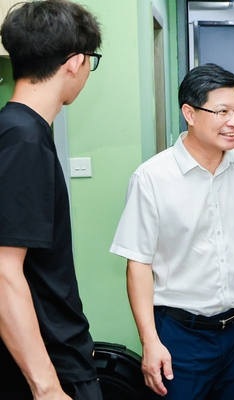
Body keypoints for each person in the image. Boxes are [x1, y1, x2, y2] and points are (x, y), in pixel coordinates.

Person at [110, 64, 234, 400]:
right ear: (190, 113)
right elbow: (138, 264)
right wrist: (149, 340)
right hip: (181, 334)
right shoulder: (152, 178)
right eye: (222, 111)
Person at [0, 1, 102, 399]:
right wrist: (47, 387)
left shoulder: (18, 130)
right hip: (50, 369)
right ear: (75, 63)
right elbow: (4, 272)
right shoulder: (24, 141)